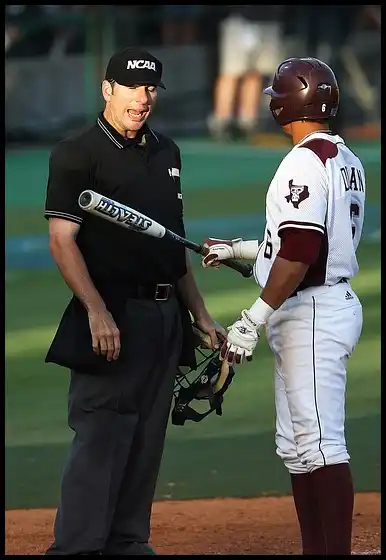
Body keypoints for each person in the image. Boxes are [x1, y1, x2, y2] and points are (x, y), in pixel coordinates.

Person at [44, 46, 225, 555]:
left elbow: (174, 245)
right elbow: (63, 241)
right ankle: (77, 548)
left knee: (146, 441)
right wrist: (95, 310)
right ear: (107, 89)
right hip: (111, 316)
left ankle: (127, 543)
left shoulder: (168, 153)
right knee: (101, 438)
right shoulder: (77, 153)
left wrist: (200, 315)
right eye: (132, 87)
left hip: (164, 318)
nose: (142, 99)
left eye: (150, 90)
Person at [201, 57, 365, 555]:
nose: (271, 99)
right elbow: (296, 245)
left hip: (312, 310)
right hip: (322, 300)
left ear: (289, 102)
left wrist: (253, 317)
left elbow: (300, 253)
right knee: (297, 448)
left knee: (319, 443)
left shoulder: (301, 161)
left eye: (276, 92)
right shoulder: (343, 158)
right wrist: (241, 251)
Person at [207, 5, 284, 142]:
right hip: (241, 19)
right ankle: (221, 122)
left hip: (269, 20)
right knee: (231, 73)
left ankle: (247, 123)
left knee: (255, 74)